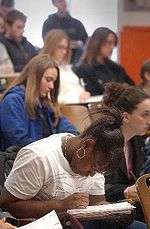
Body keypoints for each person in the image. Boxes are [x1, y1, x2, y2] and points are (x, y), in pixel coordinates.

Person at [0, 54, 77, 151]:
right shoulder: (12, 101)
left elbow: (65, 126)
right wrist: (54, 149)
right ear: (34, 77)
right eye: (48, 80)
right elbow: (19, 142)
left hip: (44, 157)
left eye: (53, 81)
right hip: (22, 161)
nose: (52, 86)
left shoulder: (44, 103)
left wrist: (75, 140)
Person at [101, 82, 150, 221]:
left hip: (132, 209)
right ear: (126, 117)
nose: (149, 121)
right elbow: (97, 188)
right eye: (145, 115)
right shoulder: (106, 141)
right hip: (110, 214)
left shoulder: (137, 140)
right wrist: (125, 192)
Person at [73, 27, 134, 96]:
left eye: (114, 43)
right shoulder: (83, 70)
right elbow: (92, 95)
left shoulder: (116, 67)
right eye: (109, 42)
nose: (112, 47)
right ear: (97, 43)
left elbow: (132, 87)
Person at [41, 29, 90, 103]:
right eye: (60, 47)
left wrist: (84, 94)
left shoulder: (66, 68)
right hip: (65, 109)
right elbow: (47, 99)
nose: (64, 52)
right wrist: (77, 98)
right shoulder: (44, 68)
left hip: (80, 106)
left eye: (66, 48)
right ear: (51, 46)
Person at [42, 0, 88, 64]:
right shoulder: (49, 23)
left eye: (64, 0)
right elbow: (47, 43)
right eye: (60, 1)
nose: (63, 3)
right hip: (53, 61)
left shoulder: (77, 24)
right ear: (54, 3)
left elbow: (85, 43)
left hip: (75, 61)